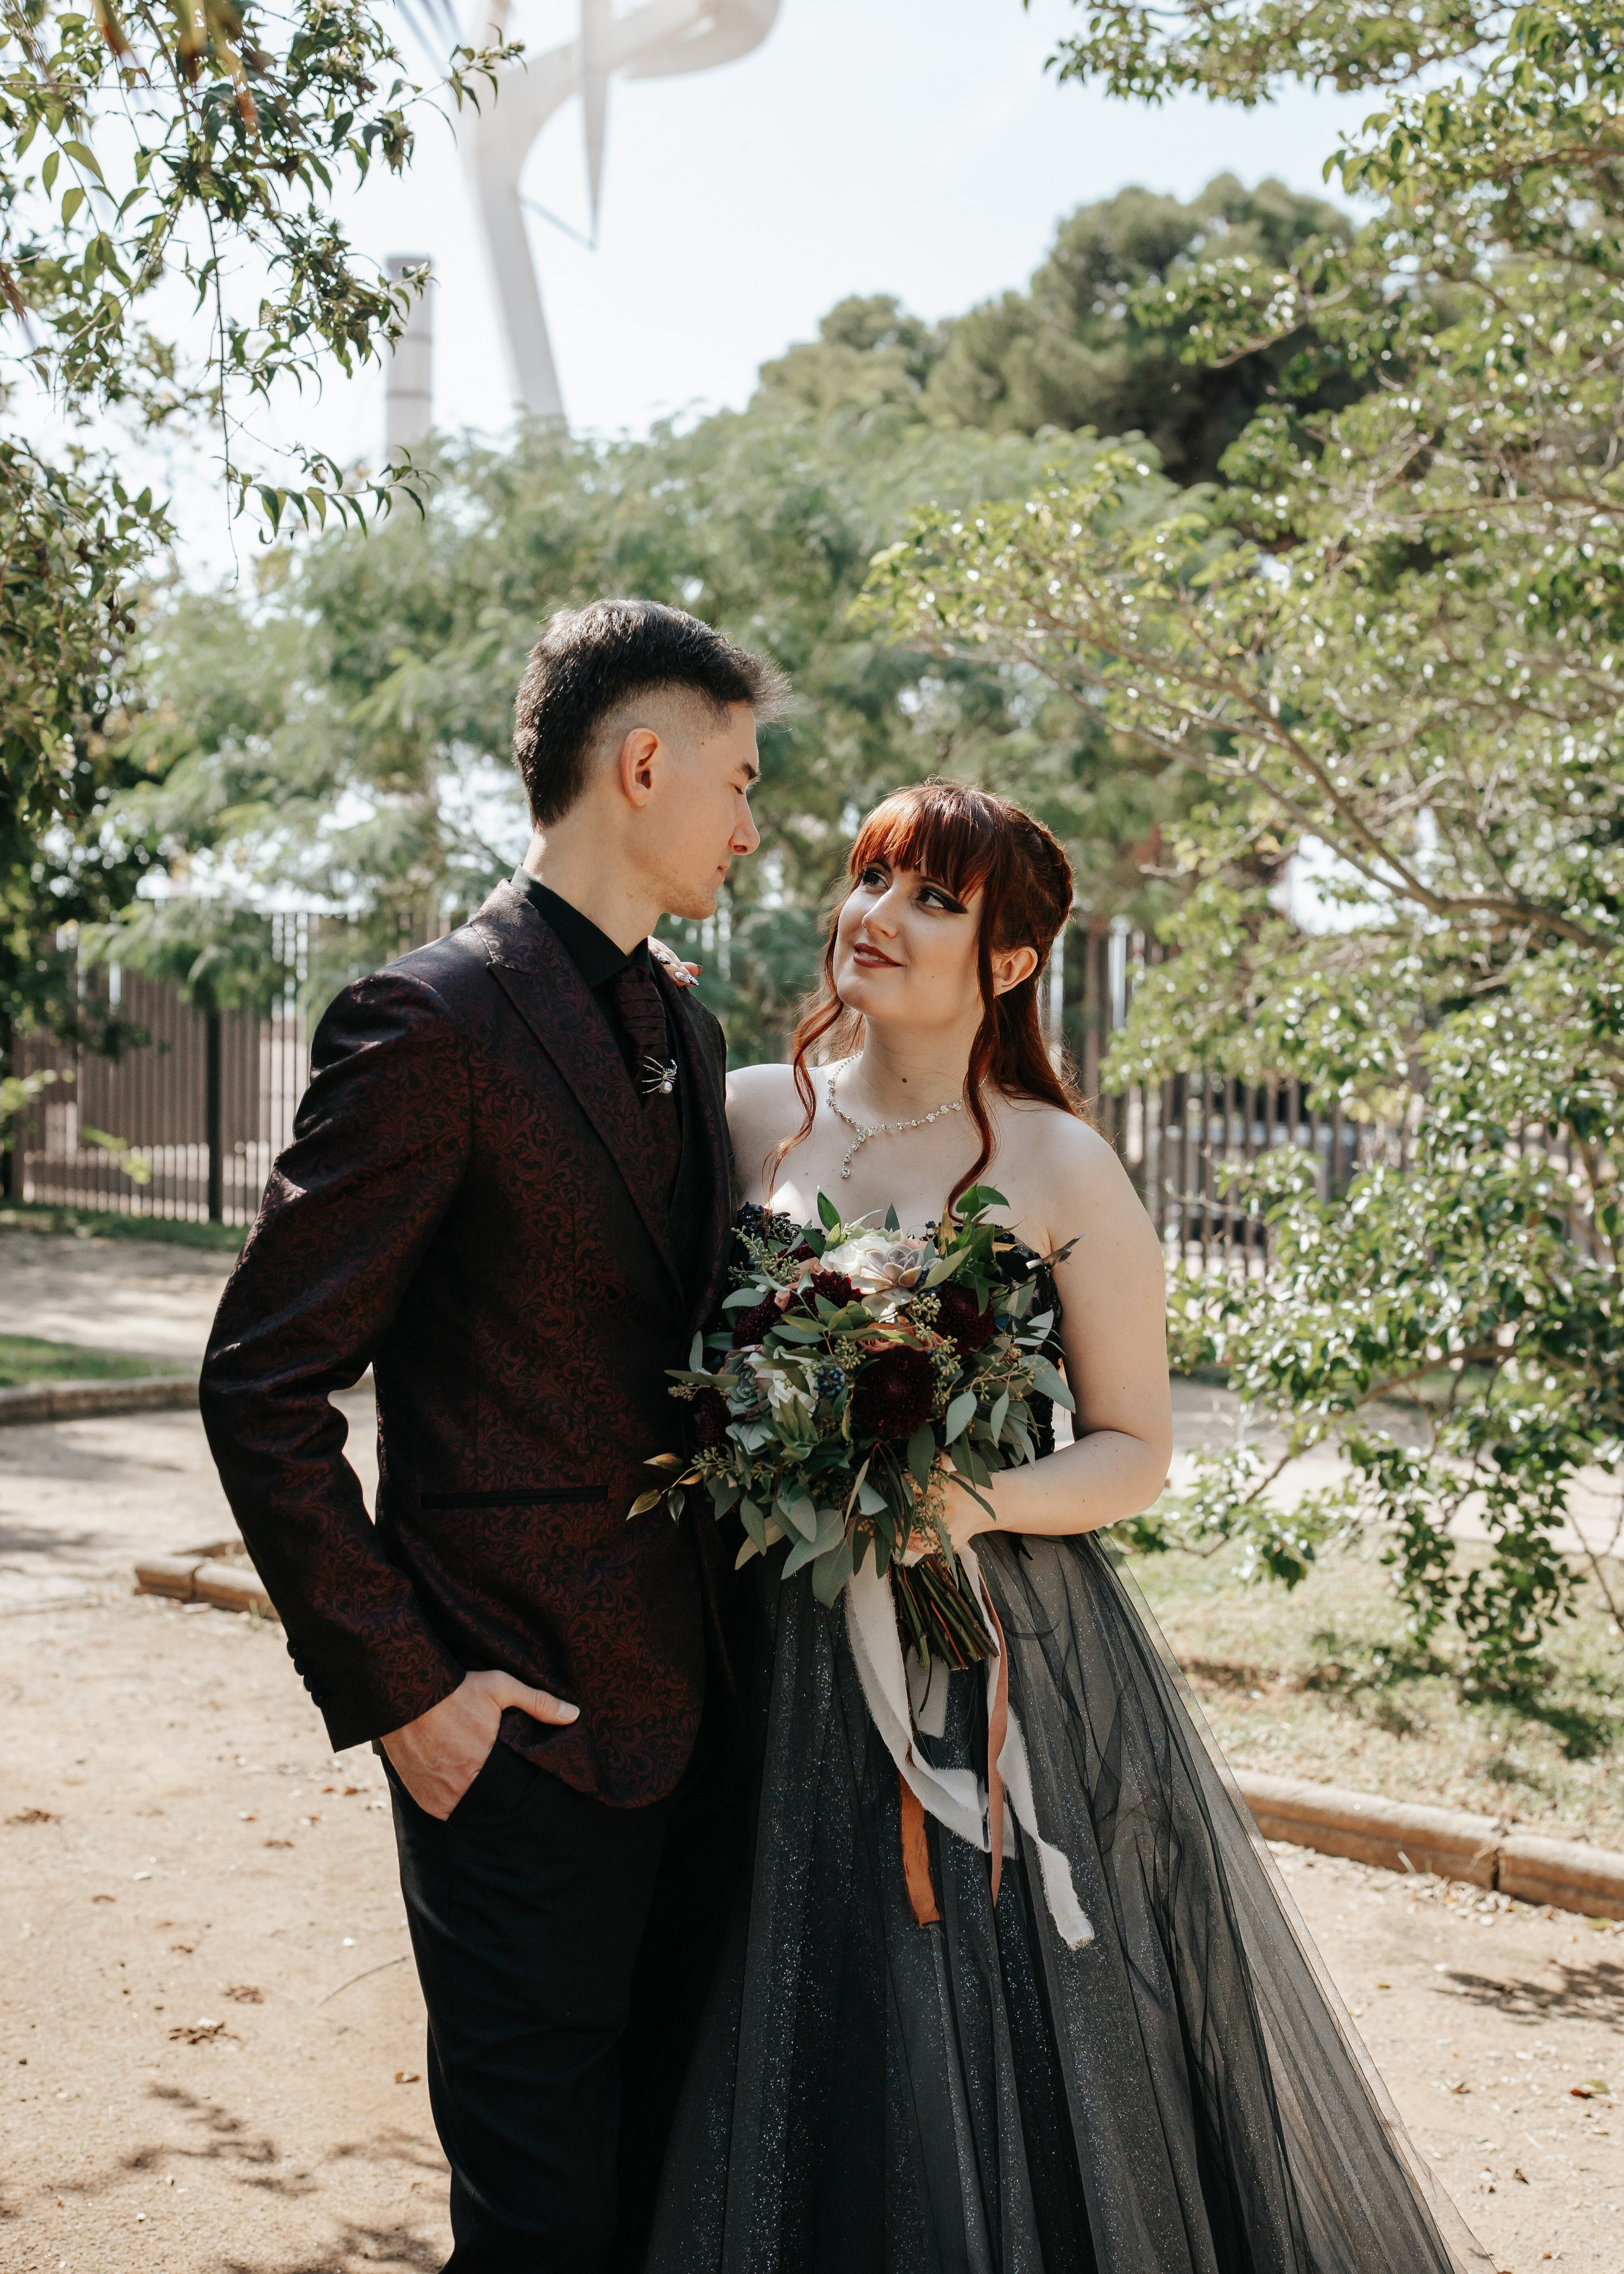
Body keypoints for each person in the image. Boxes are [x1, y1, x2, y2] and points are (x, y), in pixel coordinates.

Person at [645, 779, 1491, 2274]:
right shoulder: (748, 1112)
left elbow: (1133, 1450)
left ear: (1010, 961)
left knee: (958, 2005)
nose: (875, 917)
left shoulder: (1057, 1165)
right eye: (870, 878)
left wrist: (954, 1500)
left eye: (932, 899)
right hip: (752, 1634)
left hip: (972, 1647)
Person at [198, 599, 785, 2274]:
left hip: (704, 1723)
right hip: (512, 1730)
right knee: (540, 2227)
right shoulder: (428, 1022)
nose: (752, 829)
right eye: (741, 783)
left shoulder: (690, 1025)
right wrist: (408, 1691)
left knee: (665, 2199)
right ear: (644, 765)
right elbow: (263, 1382)